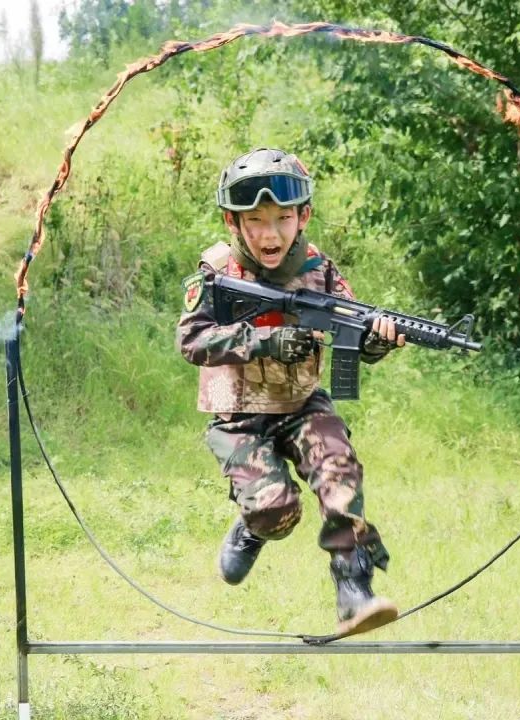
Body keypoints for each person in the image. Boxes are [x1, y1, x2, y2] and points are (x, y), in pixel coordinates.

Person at [176, 148, 406, 636]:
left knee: (339, 473)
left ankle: (353, 591)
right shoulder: (217, 271)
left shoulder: (319, 268)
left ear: (304, 216)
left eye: (282, 219)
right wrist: (265, 340)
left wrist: (377, 339)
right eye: (255, 221)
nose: (270, 233)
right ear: (232, 222)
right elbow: (191, 339)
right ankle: (253, 527)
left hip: (302, 406)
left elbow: (354, 331)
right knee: (276, 508)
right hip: (238, 417)